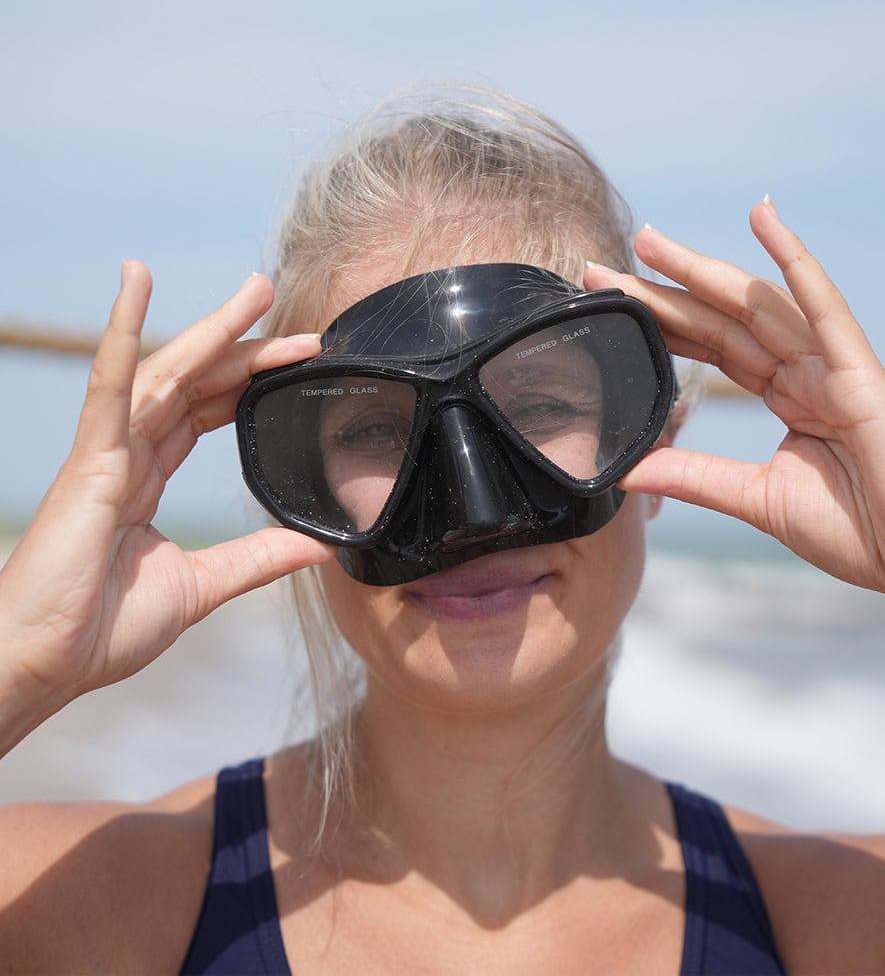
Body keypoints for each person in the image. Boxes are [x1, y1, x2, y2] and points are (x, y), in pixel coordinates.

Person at [0, 88, 883, 975]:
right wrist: (24, 656)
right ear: (298, 489)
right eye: (376, 429)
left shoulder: (836, 919)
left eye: (540, 407)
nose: (476, 513)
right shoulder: (91, 910)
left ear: (651, 442)